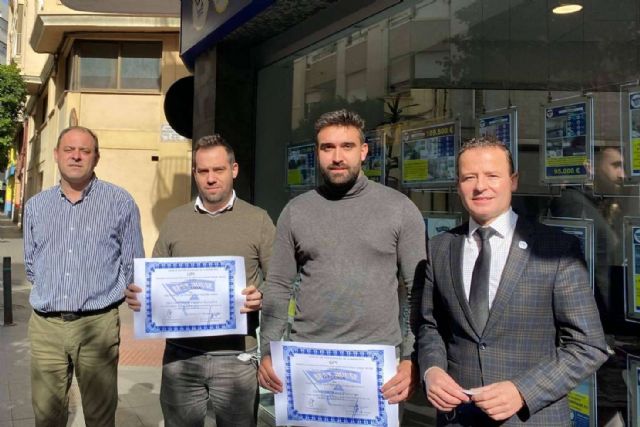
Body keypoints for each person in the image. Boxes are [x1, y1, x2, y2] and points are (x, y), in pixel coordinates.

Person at [417, 137, 609, 426]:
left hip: (530, 418)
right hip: (458, 417)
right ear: (458, 185)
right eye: (469, 177)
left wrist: (522, 391)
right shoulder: (439, 248)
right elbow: (430, 326)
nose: (480, 186)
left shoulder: (555, 249)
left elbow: (588, 346)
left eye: (492, 176)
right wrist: (431, 370)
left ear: (513, 181)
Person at [258, 109, 427, 412]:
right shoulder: (296, 211)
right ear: (317, 153)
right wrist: (268, 350)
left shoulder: (400, 209)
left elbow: (420, 291)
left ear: (363, 151)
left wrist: (411, 357)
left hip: (377, 368)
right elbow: (279, 285)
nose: (337, 157)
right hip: (308, 362)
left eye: (347, 146)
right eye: (328, 147)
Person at [125, 134, 275, 427]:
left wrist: (262, 295)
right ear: (194, 173)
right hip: (180, 358)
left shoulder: (258, 220)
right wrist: (140, 296)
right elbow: (154, 280)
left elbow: (278, 282)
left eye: (218, 170)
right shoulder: (175, 220)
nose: (211, 178)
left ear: (234, 170)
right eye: (203, 171)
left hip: (237, 357)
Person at [24, 126, 144, 427]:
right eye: (69, 149)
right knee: (46, 417)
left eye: (84, 150)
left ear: (96, 157)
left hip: (98, 326)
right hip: (46, 327)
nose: (76, 156)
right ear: (56, 155)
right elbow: (31, 265)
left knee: (100, 418)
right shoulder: (36, 206)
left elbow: (134, 263)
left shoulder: (120, 202)